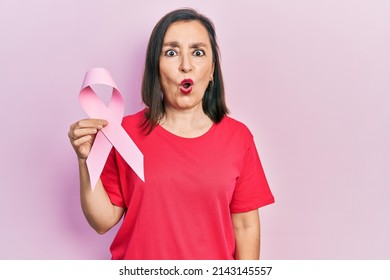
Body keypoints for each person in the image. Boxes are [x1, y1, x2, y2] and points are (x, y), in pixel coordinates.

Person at [68, 8, 274, 260]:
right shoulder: (123, 134)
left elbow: (245, 225)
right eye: (171, 52)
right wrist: (85, 160)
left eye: (197, 53)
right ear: (156, 68)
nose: (185, 65)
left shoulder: (238, 137)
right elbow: (102, 221)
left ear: (211, 71)